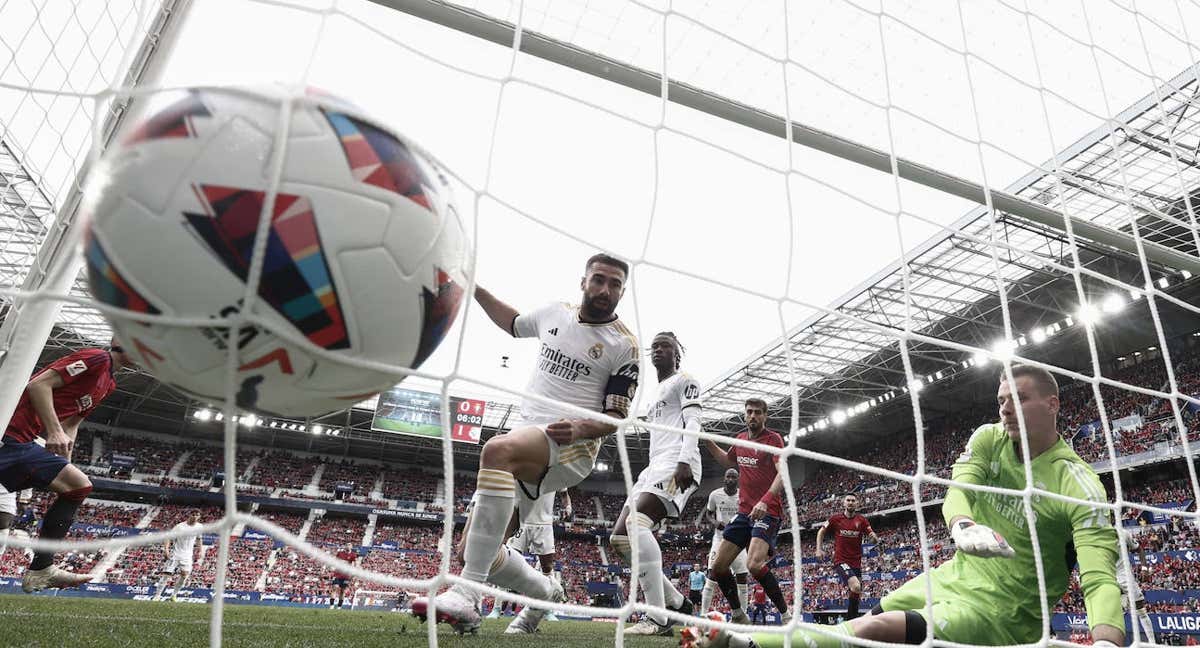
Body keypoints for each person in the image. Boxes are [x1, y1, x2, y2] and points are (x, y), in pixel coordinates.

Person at [681, 364, 1125, 648]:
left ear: (1053, 404)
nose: (1005, 410)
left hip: (1004, 612)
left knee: (874, 629)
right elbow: (959, 488)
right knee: (873, 614)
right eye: (1001, 400)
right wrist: (963, 523)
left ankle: (747, 643)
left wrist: (1105, 640)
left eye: (1019, 399)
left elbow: (1099, 577)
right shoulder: (989, 438)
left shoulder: (1076, 483)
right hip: (953, 576)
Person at [413, 253, 640, 635]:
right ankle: (545, 592)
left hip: (571, 448)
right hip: (528, 437)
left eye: (615, 284)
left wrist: (582, 428)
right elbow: (514, 324)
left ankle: (467, 596)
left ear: (622, 291)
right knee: (472, 550)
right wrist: (477, 290)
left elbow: (617, 417)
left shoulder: (624, 346)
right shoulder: (555, 313)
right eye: (599, 280)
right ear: (583, 281)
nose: (605, 290)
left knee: (496, 450)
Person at [0, 343, 132, 592]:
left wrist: (65, 458)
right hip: (10, 434)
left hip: (21, 441)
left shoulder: (109, 383)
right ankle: (41, 569)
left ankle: (42, 569)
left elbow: (73, 421)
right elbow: (38, 384)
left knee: (75, 487)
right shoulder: (97, 358)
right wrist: (53, 430)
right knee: (77, 486)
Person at [609, 331, 701, 635]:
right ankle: (677, 602)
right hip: (653, 468)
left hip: (676, 462)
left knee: (638, 524)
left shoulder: (685, 380)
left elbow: (694, 421)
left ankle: (658, 618)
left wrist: (685, 460)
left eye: (667, 346)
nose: (659, 350)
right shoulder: (655, 393)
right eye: (656, 346)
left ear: (677, 354)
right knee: (620, 539)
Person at [702, 398, 790, 625]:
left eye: (758, 412)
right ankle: (739, 615)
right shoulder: (740, 439)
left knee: (753, 565)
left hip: (768, 511)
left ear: (765, 416)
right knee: (718, 567)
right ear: (744, 414)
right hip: (744, 514)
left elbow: (783, 472)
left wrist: (765, 500)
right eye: (749, 412)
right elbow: (726, 459)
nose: (753, 416)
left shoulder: (773, 440)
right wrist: (705, 438)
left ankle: (785, 615)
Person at [488, 489, 571, 622]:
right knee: (506, 564)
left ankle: (547, 610)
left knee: (547, 568)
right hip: (523, 523)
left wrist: (568, 507)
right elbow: (514, 501)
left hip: (545, 524)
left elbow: (564, 494)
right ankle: (496, 609)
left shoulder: (556, 470)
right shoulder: (522, 471)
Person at [815, 494, 880, 619]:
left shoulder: (862, 520)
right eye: (848, 500)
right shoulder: (835, 519)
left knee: (856, 591)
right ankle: (852, 621)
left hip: (856, 562)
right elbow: (821, 531)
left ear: (857, 503)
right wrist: (819, 549)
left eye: (853, 501)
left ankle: (851, 620)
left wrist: (874, 538)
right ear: (844, 503)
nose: (850, 502)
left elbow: (873, 537)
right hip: (841, 560)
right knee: (856, 586)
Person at [701, 469, 748, 614]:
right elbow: (709, 513)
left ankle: (742, 616)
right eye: (728, 476)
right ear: (724, 478)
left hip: (738, 540)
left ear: (738, 479)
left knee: (742, 577)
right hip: (720, 538)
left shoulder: (743, 495)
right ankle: (702, 614)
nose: (731, 479)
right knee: (712, 575)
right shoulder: (715, 495)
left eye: (734, 477)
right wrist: (715, 522)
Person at [1116, 528, 1155, 644]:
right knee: (1112, 612)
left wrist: (1144, 568)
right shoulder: (1097, 534)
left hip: (1125, 576)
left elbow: (1139, 550)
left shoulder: (1123, 533)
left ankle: (1152, 643)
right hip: (1107, 576)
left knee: (1140, 609)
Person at [153, 510, 203, 602]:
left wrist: (200, 551)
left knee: (184, 576)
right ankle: (157, 596)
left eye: (197, 515)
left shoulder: (199, 527)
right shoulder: (180, 527)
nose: (195, 516)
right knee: (166, 575)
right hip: (175, 554)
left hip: (187, 556)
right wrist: (166, 550)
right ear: (189, 515)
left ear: (199, 517)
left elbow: (199, 539)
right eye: (193, 514)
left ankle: (174, 595)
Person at [329, 543, 359, 609]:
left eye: (349, 545)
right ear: (345, 546)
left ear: (351, 547)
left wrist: (353, 573)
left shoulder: (353, 555)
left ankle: (339, 607)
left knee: (342, 591)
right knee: (335, 588)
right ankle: (331, 606)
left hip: (346, 575)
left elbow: (355, 564)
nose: (348, 546)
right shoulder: (340, 553)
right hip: (337, 573)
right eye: (347, 545)